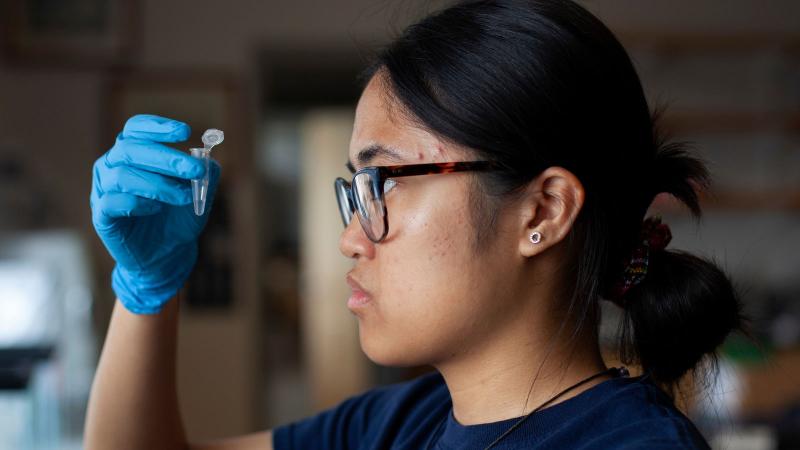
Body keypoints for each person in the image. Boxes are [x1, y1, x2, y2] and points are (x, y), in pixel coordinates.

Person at [85, 0, 746, 448]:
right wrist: (146, 289)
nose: (350, 237)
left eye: (385, 181)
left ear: (542, 211)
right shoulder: (404, 423)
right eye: (356, 187)